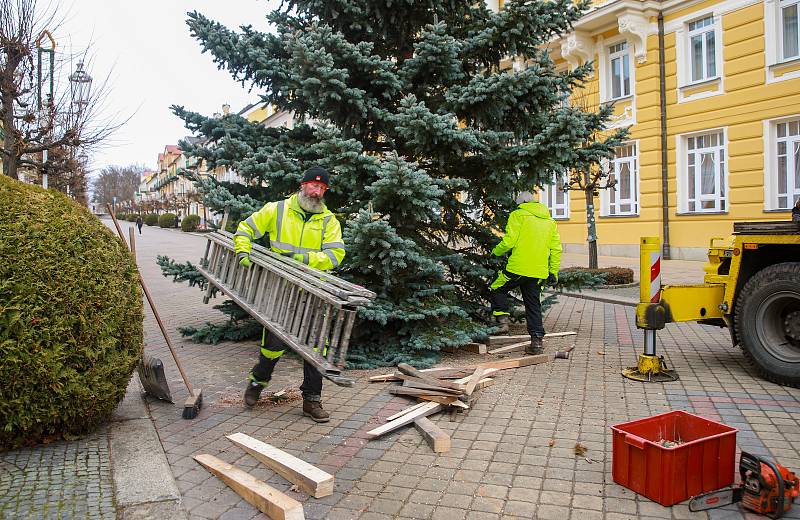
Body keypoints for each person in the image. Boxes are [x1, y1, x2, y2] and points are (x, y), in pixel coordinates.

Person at [234, 166, 345, 422]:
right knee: (273, 344)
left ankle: (312, 401)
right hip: (281, 289)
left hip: (313, 292)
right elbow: (245, 229)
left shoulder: (329, 220)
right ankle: (257, 382)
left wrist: (301, 259)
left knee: (316, 346)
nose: (317, 191)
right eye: (313, 186)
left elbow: (335, 255)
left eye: (322, 188)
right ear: (303, 185)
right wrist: (243, 252)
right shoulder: (276, 210)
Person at [489, 192, 562, 355]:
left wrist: (495, 252)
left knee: (497, 287)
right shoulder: (550, 221)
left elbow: (509, 241)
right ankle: (536, 343)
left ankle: (502, 322)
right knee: (533, 304)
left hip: (517, 268)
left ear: (521, 203)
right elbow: (556, 249)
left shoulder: (518, 215)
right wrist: (553, 272)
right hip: (539, 272)